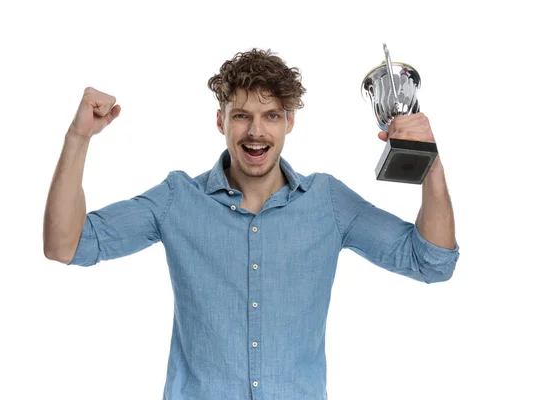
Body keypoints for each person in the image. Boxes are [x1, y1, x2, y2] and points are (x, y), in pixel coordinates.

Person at [43, 48, 460, 400]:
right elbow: (67, 245)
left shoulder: (327, 202)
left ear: (289, 122)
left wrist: (431, 162)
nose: (255, 132)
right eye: (241, 115)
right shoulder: (177, 199)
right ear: (221, 120)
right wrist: (78, 138)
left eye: (272, 116)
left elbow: (431, 262)